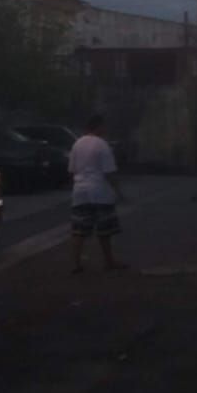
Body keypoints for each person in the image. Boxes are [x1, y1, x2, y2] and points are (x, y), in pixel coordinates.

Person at [68, 114, 126, 273]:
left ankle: (75, 264)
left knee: (79, 230)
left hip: (80, 192)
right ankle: (109, 261)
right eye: (104, 126)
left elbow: (72, 170)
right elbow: (109, 173)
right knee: (105, 230)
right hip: (100, 192)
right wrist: (118, 192)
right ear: (98, 126)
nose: (106, 129)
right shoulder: (102, 145)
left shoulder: (77, 144)